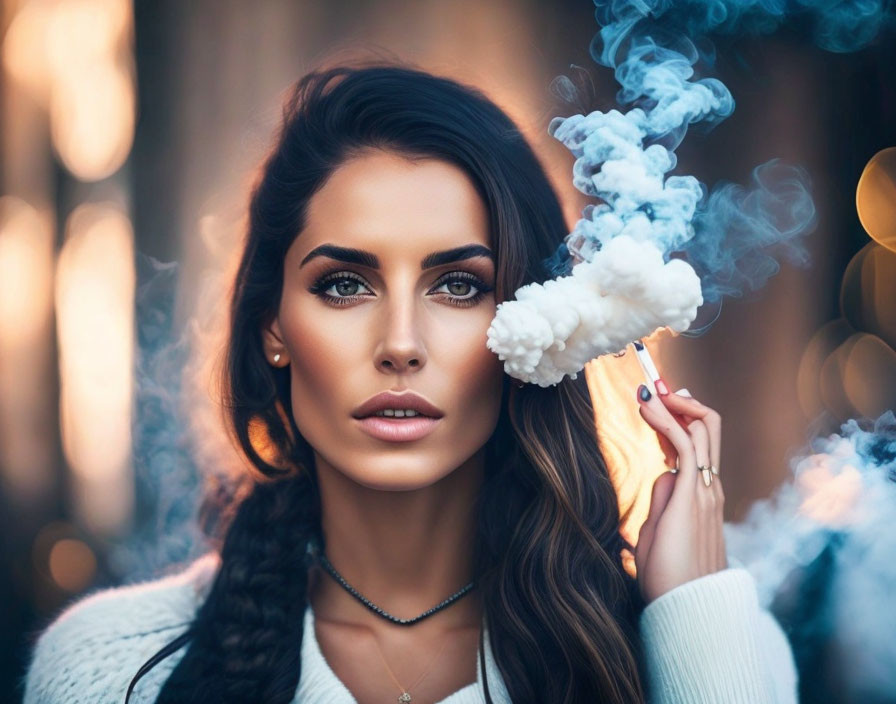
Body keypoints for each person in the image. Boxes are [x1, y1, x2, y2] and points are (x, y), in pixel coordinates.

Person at [21, 61, 797, 704]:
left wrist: (691, 614)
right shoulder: (113, 666)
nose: (399, 345)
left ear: (539, 325)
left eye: (458, 286)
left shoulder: (714, 649)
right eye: (344, 285)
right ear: (273, 327)